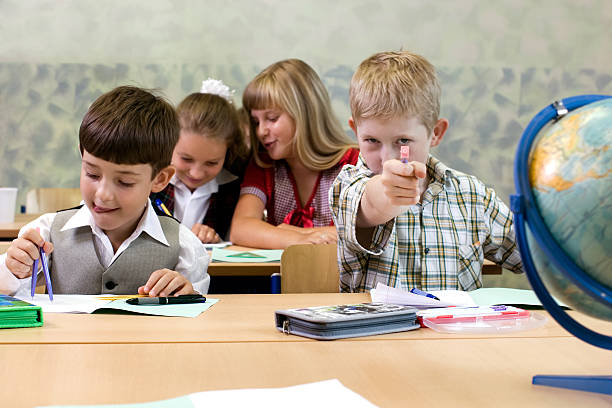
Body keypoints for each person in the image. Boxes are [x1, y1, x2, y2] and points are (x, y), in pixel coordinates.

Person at [330, 51, 523, 293]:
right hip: (379, 332)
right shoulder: (346, 185)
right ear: (354, 130)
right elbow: (370, 203)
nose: (387, 158)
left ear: (436, 133)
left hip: (456, 331)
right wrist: (388, 193)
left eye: (403, 140)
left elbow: (532, 255)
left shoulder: (474, 196)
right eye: (371, 140)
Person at [0, 86, 210, 297]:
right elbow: (7, 294)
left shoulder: (185, 247)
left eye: (124, 182)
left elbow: (197, 317)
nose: (103, 194)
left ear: (160, 179)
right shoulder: (45, 232)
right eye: (92, 174)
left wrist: (186, 295)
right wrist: (15, 269)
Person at [230, 59, 359, 249]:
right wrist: (297, 240)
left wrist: (286, 231)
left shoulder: (353, 163)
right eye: (256, 121)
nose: (261, 131)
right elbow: (241, 228)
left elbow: (364, 233)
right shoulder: (264, 165)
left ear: (305, 113)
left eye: (272, 118)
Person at [150, 79, 250, 244]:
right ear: (170, 143)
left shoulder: (234, 190)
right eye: (186, 159)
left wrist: (214, 239)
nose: (196, 173)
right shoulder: (150, 181)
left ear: (229, 150)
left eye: (211, 163)